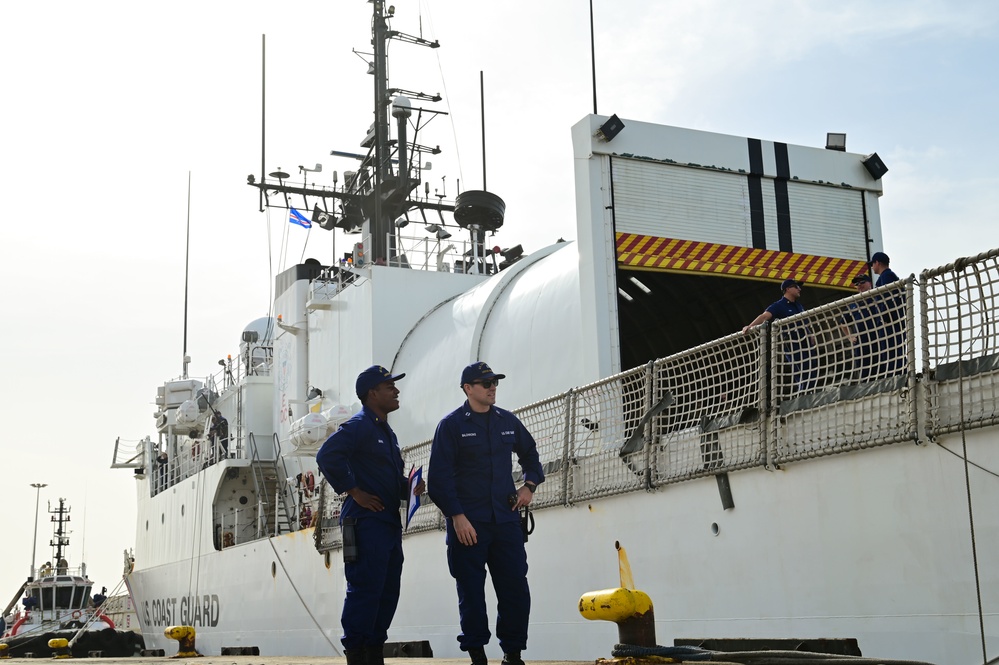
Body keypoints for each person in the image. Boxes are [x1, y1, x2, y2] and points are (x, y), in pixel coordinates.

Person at [428, 362, 545, 665]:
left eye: (495, 382)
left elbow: (531, 456)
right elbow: (438, 481)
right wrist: (457, 517)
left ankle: (513, 654)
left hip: (505, 521)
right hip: (469, 524)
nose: (492, 387)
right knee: (471, 591)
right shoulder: (451, 426)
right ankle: (477, 655)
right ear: (468, 389)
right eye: (485, 383)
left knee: (515, 589)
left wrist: (528, 486)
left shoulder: (507, 421)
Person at [315, 365, 424, 665]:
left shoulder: (386, 432)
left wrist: (410, 488)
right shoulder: (360, 425)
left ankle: (374, 651)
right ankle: (357, 654)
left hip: (387, 523)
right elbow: (326, 455)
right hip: (365, 522)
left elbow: (384, 478)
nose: (396, 390)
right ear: (372, 393)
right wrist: (353, 490)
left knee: (387, 591)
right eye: (390, 386)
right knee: (365, 589)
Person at [742, 278, 816, 392]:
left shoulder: (798, 305)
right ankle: (804, 395)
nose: (799, 289)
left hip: (805, 342)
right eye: (796, 287)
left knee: (812, 368)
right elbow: (764, 316)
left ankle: (812, 393)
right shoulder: (779, 305)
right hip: (793, 344)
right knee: (801, 371)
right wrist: (749, 326)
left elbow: (805, 323)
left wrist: (810, 335)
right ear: (788, 289)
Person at [841, 274, 886, 381]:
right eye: (856, 284)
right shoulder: (854, 302)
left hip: (878, 341)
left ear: (869, 283)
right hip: (862, 345)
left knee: (882, 370)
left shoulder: (877, 296)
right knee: (865, 373)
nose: (859, 285)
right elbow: (843, 323)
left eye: (862, 282)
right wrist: (850, 336)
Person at [868, 251, 905, 373]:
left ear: (877, 262)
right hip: (891, 323)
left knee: (892, 354)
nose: (872, 267)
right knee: (889, 354)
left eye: (872, 264)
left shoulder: (887, 276)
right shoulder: (887, 277)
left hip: (890, 325)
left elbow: (889, 299)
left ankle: (896, 377)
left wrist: (886, 318)